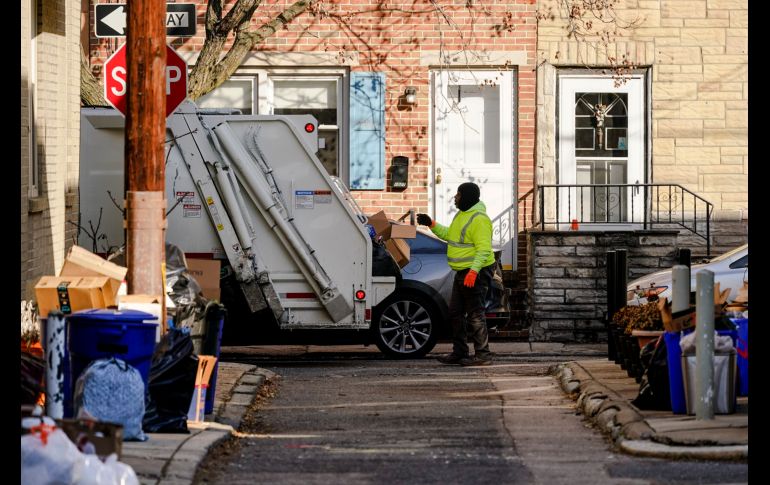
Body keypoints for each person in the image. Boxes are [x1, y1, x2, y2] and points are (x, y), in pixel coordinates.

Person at [416, 182, 495, 366]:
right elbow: (450, 235)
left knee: (475, 314)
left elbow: (484, 250)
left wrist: (473, 272)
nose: (455, 197)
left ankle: (483, 355)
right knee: (455, 312)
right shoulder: (462, 215)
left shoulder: (479, 219)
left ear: (466, 197)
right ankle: (460, 352)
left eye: (458, 194)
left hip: (477, 271)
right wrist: (431, 224)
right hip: (463, 271)